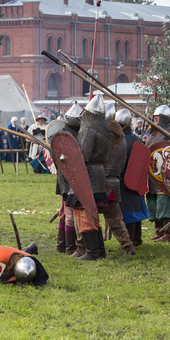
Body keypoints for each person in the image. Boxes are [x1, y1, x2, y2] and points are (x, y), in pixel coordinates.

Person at [67, 94, 111, 261]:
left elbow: (82, 155)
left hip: (87, 173)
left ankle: (92, 252)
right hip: (98, 172)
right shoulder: (104, 128)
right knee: (93, 214)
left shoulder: (88, 128)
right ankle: (99, 250)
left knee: (84, 213)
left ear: (88, 112)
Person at [101, 103, 136, 255]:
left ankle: (89, 247)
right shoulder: (122, 138)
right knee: (115, 218)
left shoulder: (103, 136)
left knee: (88, 216)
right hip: (115, 182)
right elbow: (121, 163)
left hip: (100, 182)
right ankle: (128, 246)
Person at [145, 105, 170, 242]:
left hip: (164, 174)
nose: (155, 119)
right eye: (154, 117)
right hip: (152, 174)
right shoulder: (152, 134)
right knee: (154, 204)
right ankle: (159, 232)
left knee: (165, 204)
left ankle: (169, 234)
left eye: (158, 117)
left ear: (164, 119)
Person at [115, 109, 149, 247]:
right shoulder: (138, 139)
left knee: (128, 213)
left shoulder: (120, 141)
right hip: (136, 181)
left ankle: (131, 241)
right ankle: (137, 239)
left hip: (124, 181)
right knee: (136, 211)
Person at [54, 102, 81, 256]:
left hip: (63, 177)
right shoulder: (73, 136)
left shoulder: (61, 134)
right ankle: (70, 247)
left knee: (64, 210)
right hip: (71, 176)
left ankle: (61, 245)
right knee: (69, 212)